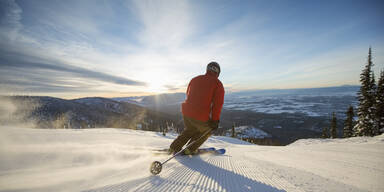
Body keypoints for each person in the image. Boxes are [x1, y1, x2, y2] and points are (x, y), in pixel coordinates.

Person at [169, 61, 225, 155]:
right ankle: (190, 149)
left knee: (190, 130)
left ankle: (173, 147)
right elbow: (217, 104)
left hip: (186, 112)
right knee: (206, 131)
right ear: (218, 72)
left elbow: (188, 94)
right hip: (201, 115)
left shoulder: (195, 79)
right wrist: (215, 120)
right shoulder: (218, 84)